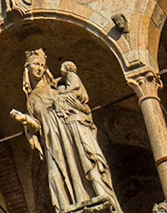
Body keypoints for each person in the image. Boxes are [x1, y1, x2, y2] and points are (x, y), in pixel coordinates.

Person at [9, 49, 119, 213]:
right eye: (35, 64)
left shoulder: (57, 87)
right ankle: (67, 206)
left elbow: (79, 100)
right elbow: (38, 126)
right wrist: (26, 121)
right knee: (55, 175)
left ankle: (103, 198)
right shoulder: (31, 100)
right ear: (27, 68)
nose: (39, 68)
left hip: (71, 130)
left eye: (41, 65)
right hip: (53, 139)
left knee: (88, 164)